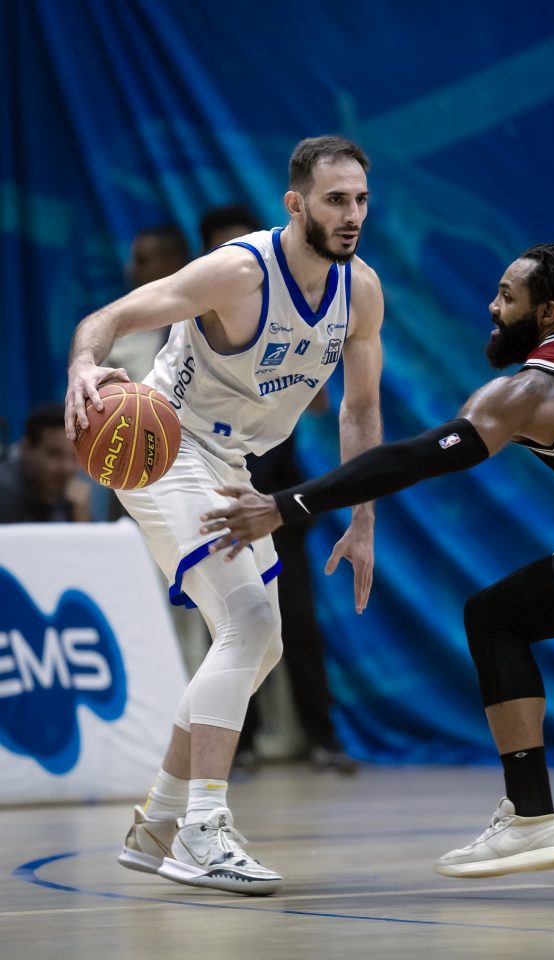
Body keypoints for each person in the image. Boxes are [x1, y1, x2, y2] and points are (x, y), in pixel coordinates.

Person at [199, 242, 554, 880]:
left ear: (547, 313)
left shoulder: (532, 389)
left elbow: (414, 459)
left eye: (507, 297)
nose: (492, 308)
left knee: (495, 618)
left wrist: (286, 505)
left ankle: (531, 818)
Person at [65, 135, 383, 896]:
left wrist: (363, 521)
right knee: (250, 623)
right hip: (163, 445)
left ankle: (158, 822)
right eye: (335, 200)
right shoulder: (238, 272)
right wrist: (82, 362)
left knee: (261, 647)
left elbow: (360, 410)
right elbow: (112, 316)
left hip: (234, 466)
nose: (351, 215)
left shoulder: (361, 291)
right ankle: (202, 829)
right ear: (296, 204)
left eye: (361, 200)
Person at [199, 203, 358, 774]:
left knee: (297, 621)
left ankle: (324, 738)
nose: (240, 259)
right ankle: (236, 747)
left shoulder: (294, 309)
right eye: (225, 249)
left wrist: (288, 371)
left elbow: (321, 403)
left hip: (277, 497)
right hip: (217, 493)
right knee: (229, 625)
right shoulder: (200, 317)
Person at [105, 225, 190, 382]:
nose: (131, 269)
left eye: (142, 261)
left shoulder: (203, 325)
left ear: (172, 263)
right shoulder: (115, 333)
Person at [0, 403, 91, 523]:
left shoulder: (70, 496)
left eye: (74, 456)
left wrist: (82, 520)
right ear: (27, 450)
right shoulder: (5, 492)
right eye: (54, 454)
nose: (66, 468)